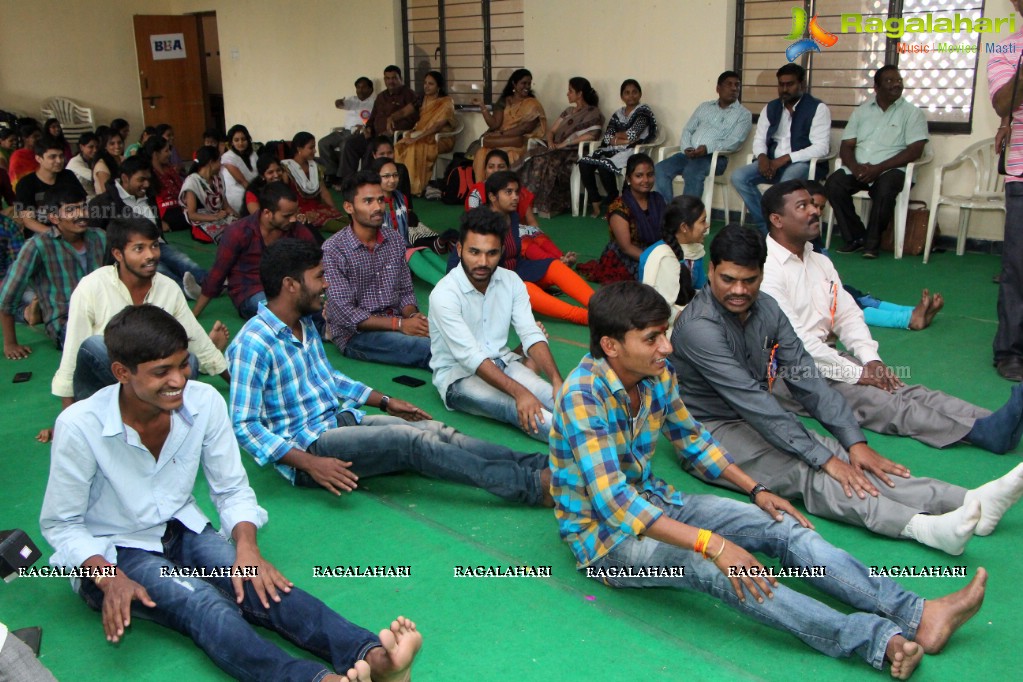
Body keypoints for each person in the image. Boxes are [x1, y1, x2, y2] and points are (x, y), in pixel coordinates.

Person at [551, 279, 988, 680]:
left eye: (665, 333)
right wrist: (714, 545)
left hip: (658, 500)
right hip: (605, 541)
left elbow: (694, 440)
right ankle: (875, 640)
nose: (666, 347)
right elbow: (617, 506)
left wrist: (757, 491)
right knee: (716, 568)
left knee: (783, 528)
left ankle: (915, 614)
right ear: (610, 345)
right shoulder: (582, 396)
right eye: (652, 339)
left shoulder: (656, 374)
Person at [41, 304, 422, 682]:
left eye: (182, 364)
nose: (179, 380)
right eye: (162, 372)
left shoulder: (204, 402)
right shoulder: (79, 426)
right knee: (204, 604)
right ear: (122, 373)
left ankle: (374, 657)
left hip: (182, 528)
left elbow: (232, 488)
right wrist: (108, 578)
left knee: (263, 583)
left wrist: (247, 547)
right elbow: (62, 524)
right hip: (114, 551)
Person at [670, 224, 1023, 555]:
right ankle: (919, 527)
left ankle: (968, 500)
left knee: (843, 457)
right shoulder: (699, 328)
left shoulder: (767, 308)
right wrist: (824, 459)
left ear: (762, 274)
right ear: (711, 270)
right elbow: (755, 402)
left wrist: (854, 442)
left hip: (754, 417)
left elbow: (806, 377)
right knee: (809, 470)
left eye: (749, 280)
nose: (739, 291)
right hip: (709, 433)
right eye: (728, 279)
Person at [228, 237, 552, 507]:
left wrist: (385, 401)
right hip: (310, 449)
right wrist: (309, 463)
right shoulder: (252, 344)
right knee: (410, 442)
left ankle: (540, 465)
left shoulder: (302, 324)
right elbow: (245, 426)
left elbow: (329, 378)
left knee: (437, 430)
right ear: (290, 285)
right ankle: (533, 486)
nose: (326, 284)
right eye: (319, 276)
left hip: (340, 421)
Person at [761, 180, 1022, 455]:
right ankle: (981, 433)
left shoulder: (819, 261)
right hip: (788, 372)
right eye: (803, 206)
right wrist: (856, 373)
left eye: (813, 204)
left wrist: (870, 360)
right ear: (777, 219)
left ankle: (990, 418)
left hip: (826, 358)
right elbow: (797, 342)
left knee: (904, 389)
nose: (815, 211)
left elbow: (847, 313)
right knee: (880, 402)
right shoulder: (766, 268)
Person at [52, 216, 228, 406]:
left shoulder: (168, 287)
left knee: (190, 359)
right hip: (107, 389)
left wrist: (234, 382)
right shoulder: (91, 286)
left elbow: (197, 340)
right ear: (118, 254)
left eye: (154, 246)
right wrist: (67, 418)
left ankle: (154, 412)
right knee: (95, 345)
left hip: (154, 383)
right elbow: (73, 354)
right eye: (139, 249)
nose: (150, 255)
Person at [430, 207, 563, 442]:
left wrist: (556, 381)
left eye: (491, 253)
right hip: (460, 378)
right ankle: (589, 447)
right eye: (474, 252)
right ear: (459, 249)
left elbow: (530, 333)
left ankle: (602, 433)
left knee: (556, 397)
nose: (483, 262)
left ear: (502, 251)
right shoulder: (444, 294)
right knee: (518, 407)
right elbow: (471, 358)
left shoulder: (511, 281)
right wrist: (520, 392)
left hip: (505, 363)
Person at [322, 169, 431, 368]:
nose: (378, 207)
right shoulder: (333, 249)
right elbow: (345, 314)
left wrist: (413, 317)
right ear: (349, 207)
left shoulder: (395, 239)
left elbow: (406, 292)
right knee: (429, 349)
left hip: (397, 323)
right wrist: (399, 325)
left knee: (448, 334)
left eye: (380, 200)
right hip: (356, 335)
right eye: (368, 201)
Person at [804, 181, 943, 330]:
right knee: (846, 305)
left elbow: (823, 261)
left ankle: (911, 311)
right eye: (814, 206)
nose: (818, 212)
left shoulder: (811, 228)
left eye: (821, 207)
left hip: (824, 285)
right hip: (810, 294)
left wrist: (833, 279)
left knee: (852, 292)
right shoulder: (795, 233)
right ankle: (907, 320)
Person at [461, 169, 592, 325]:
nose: (515, 197)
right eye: (508, 192)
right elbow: (461, 265)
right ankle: (588, 317)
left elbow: (515, 255)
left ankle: (600, 305)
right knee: (524, 288)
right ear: (492, 196)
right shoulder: (478, 223)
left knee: (554, 266)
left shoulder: (513, 216)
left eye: (516, 192)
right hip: (491, 282)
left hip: (517, 270)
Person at [825, 66, 928, 258]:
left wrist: (879, 168)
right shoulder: (862, 112)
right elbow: (846, 146)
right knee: (834, 184)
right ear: (876, 87)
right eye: (889, 81)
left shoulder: (912, 113)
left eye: (898, 80)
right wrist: (855, 168)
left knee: (885, 187)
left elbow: (916, 150)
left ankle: (871, 244)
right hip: (861, 167)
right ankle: (856, 237)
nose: (896, 84)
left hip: (892, 168)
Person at [1, 184, 106, 356]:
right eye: (71, 210)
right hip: (66, 324)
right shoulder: (38, 245)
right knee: (102, 347)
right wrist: (10, 344)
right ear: (54, 217)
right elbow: (7, 297)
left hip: (105, 315)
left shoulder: (100, 237)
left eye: (83, 207)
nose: (81, 214)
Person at [192, 182, 318, 320]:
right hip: (250, 292)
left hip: (287, 289)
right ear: (267, 213)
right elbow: (217, 275)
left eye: (295, 213)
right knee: (280, 311)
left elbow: (317, 259)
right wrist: (194, 314)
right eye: (287, 215)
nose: (293, 219)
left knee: (317, 307)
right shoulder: (237, 232)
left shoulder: (296, 229)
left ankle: (328, 330)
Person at [731, 63, 831, 235]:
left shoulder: (817, 108)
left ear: (802, 84)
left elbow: (821, 148)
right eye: (781, 84)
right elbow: (760, 139)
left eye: (790, 84)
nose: (785, 89)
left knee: (787, 182)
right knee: (738, 176)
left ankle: (782, 229)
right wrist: (762, 157)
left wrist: (784, 159)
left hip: (802, 164)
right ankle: (768, 227)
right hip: (771, 162)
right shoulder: (771, 108)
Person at [87, 155, 207, 298]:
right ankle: (184, 291)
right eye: (141, 180)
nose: (146, 184)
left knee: (184, 261)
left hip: (158, 244)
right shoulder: (103, 203)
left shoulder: (148, 196)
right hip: (135, 253)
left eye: (148, 179)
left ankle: (212, 283)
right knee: (160, 271)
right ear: (125, 178)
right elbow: (94, 236)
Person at [990, 0, 1023, 382]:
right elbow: (1002, 102)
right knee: (1018, 266)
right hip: (1021, 174)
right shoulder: (1004, 48)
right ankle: (1011, 350)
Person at [654, 71, 751, 202]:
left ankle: (688, 217)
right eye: (729, 84)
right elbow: (688, 129)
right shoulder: (704, 107)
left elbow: (735, 141)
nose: (734, 88)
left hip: (715, 158)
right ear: (718, 88)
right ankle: (667, 214)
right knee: (660, 169)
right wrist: (687, 147)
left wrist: (707, 148)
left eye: (737, 85)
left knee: (692, 171)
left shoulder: (743, 115)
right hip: (688, 155)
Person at [517, 76, 603, 217]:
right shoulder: (568, 111)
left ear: (579, 94)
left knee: (552, 161)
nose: (567, 94)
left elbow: (591, 135)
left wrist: (565, 144)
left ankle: (552, 204)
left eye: (570, 91)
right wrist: (551, 142)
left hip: (575, 150)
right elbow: (552, 131)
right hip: (557, 147)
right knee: (537, 159)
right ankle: (531, 203)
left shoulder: (592, 112)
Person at [577, 153, 666, 283]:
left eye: (650, 175)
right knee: (652, 280)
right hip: (626, 257)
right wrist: (655, 261)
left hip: (655, 251)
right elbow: (626, 247)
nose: (646, 180)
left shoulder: (657, 199)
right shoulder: (619, 207)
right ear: (628, 178)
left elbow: (668, 232)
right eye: (639, 176)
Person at [578, 79, 657, 217]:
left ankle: (614, 200)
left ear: (640, 94)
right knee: (585, 163)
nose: (631, 95)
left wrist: (618, 138)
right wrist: (622, 139)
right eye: (627, 93)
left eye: (634, 92)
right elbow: (607, 137)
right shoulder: (618, 114)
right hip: (614, 148)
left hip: (633, 150)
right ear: (622, 96)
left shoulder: (643, 112)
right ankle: (595, 201)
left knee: (605, 166)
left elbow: (633, 134)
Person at [372, 157, 454, 286]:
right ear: (376, 178)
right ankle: (447, 285)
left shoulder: (401, 197)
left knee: (425, 250)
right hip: (381, 255)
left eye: (395, 175)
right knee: (412, 253)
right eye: (386, 176)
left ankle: (458, 276)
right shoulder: (373, 203)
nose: (392, 180)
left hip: (403, 247)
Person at [338, 65, 420, 181]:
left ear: (400, 79)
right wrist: (368, 128)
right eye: (387, 78)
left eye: (394, 78)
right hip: (374, 134)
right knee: (350, 144)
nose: (390, 81)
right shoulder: (381, 96)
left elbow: (412, 120)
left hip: (394, 136)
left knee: (372, 147)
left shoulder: (409, 95)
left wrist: (391, 131)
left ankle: (367, 181)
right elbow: (373, 117)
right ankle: (349, 181)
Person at [639, 194, 710, 325]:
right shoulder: (660, 257)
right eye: (702, 221)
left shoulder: (696, 251)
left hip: (686, 313)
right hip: (662, 322)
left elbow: (700, 291)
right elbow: (658, 308)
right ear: (684, 227)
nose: (707, 225)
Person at [470, 68, 547, 181]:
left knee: (511, 155)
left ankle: (506, 190)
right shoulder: (503, 101)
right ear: (514, 84)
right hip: (500, 140)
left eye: (529, 83)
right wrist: (482, 107)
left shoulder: (532, 104)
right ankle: (481, 190)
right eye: (523, 83)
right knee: (482, 153)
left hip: (517, 142)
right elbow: (494, 124)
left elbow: (525, 128)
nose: (527, 86)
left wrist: (502, 134)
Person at [393, 70, 457, 196]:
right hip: (420, 135)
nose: (426, 86)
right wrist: (391, 118)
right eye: (425, 83)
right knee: (400, 145)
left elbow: (437, 126)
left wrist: (416, 138)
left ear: (439, 87)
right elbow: (404, 112)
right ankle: (400, 184)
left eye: (431, 84)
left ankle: (414, 187)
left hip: (441, 139)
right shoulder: (421, 99)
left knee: (414, 147)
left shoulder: (446, 102)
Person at [14, 136, 82, 235]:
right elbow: (28, 220)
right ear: (38, 158)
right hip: (41, 235)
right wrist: (55, 233)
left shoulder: (68, 176)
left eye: (61, 156)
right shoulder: (26, 184)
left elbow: (81, 204)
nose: (59, 161)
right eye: (52, 157)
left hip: (70, 229)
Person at [282, 131, 346, 232]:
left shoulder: (314, 167)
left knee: (350, 222)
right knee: (347, 229)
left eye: (314, 147)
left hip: (318, 207)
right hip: (301, 212)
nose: (315, 151)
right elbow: (283, 197)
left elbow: (324, 192)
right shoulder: (287, 169)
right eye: (311, 148)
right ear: (299, 149)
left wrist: (335, 210)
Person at [319, 76, 376, 185]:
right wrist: (338, 102)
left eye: (364, 87)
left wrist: (364, 127)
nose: (360, 90)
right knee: (323, 143)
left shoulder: (375, 102)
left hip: (360, 133)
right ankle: (330, 174)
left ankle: (342, 177)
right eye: (358, 87)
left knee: (346, 145)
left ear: (371, 89)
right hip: (345, 131)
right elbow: (341, 104)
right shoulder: (352, 99)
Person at [180, 145, 236, 243]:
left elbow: (226, 206)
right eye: (219, 160)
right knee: (230, 236)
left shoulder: (218, 178)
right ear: (211, 163)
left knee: (242, 228)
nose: (221, 164)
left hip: (220, 218)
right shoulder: (192, 182)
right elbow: (192, 215)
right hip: (202, 223)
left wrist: (241, 219)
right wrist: (215, 217)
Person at [143, 134, 189, 233]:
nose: (170, 154)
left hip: (179, 207)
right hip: (164, 213)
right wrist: (159, 221)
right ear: (155, 154)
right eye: (166, 151)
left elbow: (181, 189)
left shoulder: (169, 169)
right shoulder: (148, 173)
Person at [220, 124, 259, 214]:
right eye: (236, 140)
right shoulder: (227, 157)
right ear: (231, 142)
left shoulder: (253, 154)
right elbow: (242, 181)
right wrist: (258, 195)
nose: (240, 143)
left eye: (243, 139)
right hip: (237, 196)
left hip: (253, 190)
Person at [7, 122, 42, 190]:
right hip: (24, 191)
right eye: (35, 136)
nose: (39, 139)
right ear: (25, 138)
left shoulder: (41, 153)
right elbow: (16, 179)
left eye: (40, 136)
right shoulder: (18, 157)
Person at [65, 132, 100, 198]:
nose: (95, 150)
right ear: (81, 147)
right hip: (78, 198)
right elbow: (94, 177)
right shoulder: (74, 162)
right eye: (91, 147)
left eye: (97, 147)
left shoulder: (94, 160)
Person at [92, 128, 124, 195]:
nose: (117, 146)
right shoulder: (101, 165)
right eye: (112, 144)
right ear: (105, 146)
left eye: (119, 142)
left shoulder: (123, 159)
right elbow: (107, 192)